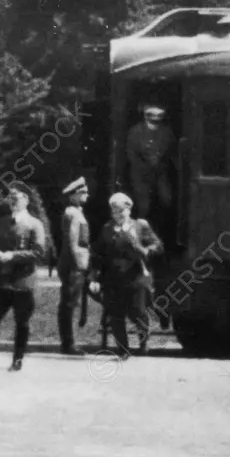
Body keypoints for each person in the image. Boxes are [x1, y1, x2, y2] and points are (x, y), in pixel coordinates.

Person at [0, 182, 48, 372]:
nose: (12, 201)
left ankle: (17, 359)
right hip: (1, 280)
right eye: (10, 198)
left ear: (26, 200)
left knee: (22, 322)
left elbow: (38, 252)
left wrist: (13, 256)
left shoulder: (35, 225)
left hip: (22, 281)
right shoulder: (2, 222)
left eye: (16, 198)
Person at [89, 192, 163, 358]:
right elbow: (98, 254)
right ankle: (123, 350)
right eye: (115, 212)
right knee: (116, 314)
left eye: (121, 211)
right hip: (113, 278)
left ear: (129, 211)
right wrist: (94, 276)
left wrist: (144, 250)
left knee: (138, 311)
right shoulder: (107, 229)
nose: (118, 215)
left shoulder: (140, 226)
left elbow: (157, 245)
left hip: (136, 277)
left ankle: (143, 343)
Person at [56, 176, 90, 356]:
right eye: (83, 192)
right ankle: (68, 343)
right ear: (74, 195)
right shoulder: (72, 213)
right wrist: (81, 264)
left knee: (71, 302)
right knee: (70, 304)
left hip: (75, 264)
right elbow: (73, 242)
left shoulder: (76, 212)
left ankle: (68, 342)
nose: (87, 195)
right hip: (74, 265)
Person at [125, 104, 175, 219]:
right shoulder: (135, 132)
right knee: (143, 206)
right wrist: (145, 167)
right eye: (152, 115)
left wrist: (161, 165)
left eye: (159, 115)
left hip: (160, 172)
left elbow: (171, 152)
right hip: (140, 174)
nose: (155, 118)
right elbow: (131, 155)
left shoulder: (166, 132)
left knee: (166, 200)